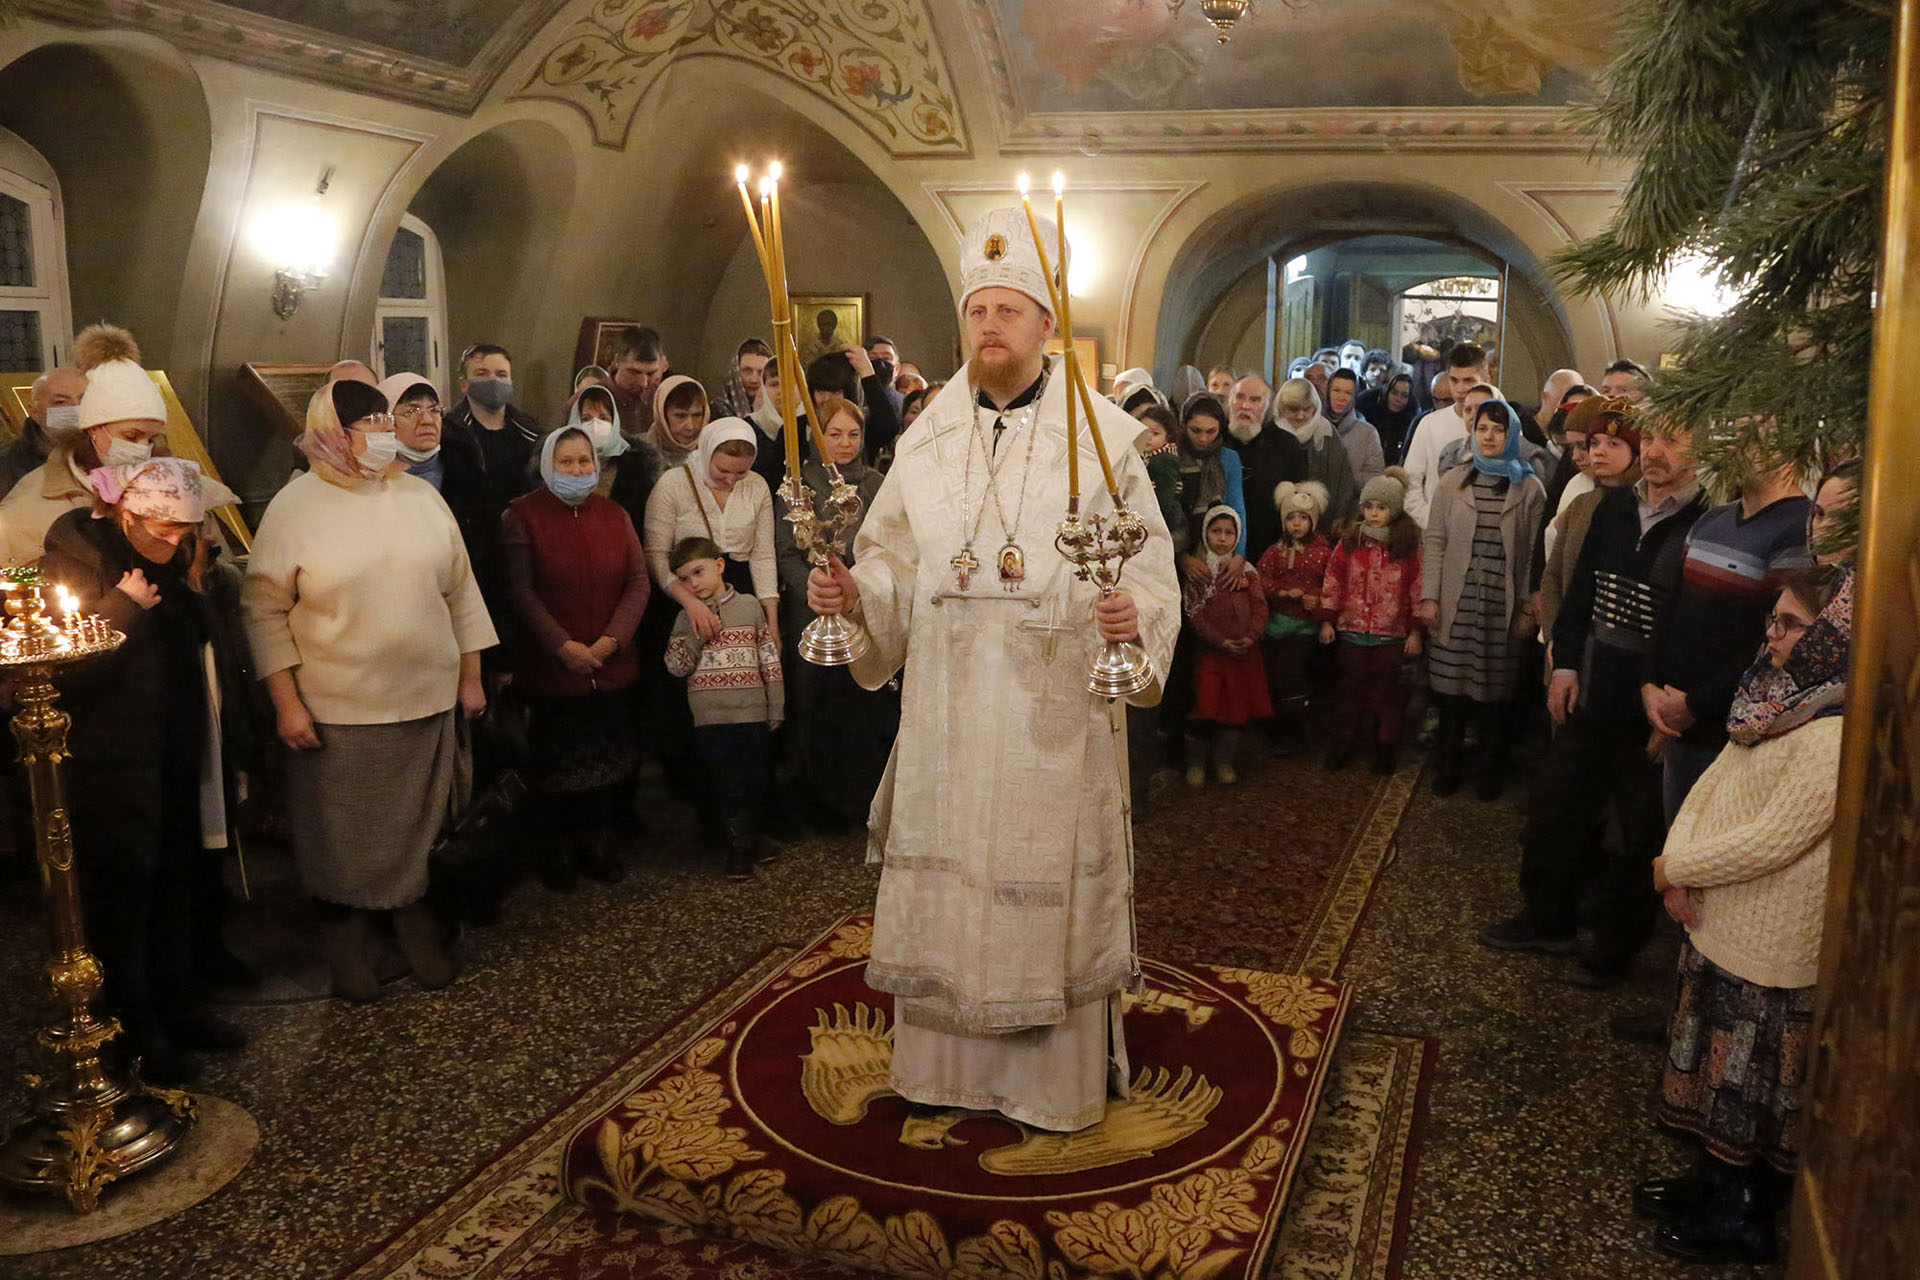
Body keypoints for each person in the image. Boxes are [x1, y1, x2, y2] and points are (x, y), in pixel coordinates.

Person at [803, 205, 1179, 1133]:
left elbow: (1147, 570)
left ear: (1046, 324)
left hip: (1052, 712)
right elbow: (892, 562)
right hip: (950, 708)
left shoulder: (1103, 442)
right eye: (978, 311)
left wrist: (1132, 617)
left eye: (1008, 311)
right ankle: (942, 1071)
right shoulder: (926, 442)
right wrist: (855, 594)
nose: (990, 327)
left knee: (1039, 884)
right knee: (952, 876)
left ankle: (1050, 1084)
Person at [242, 379, 495, 1002]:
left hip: (428, 700)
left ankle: (415, 929)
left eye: (388, 421)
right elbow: (264, 612)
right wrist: (286, 704)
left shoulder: (419, 496)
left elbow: (461, 590)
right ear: (333, 433)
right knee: (344, 840)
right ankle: (347, 944)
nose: (386, 434)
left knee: (422, 833)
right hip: (340, 710)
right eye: (371, 425)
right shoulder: (295, 507)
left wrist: (471, 676)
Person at [1637, 565, 1849, 1265]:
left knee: (1746, 1087)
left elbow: (1774, 838)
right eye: (1773, 619)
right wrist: (1677, 859)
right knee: (1710, 1066)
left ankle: (1744, 1213)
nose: (1773, 634)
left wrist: (1680, 868)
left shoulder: (1834, 730)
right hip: (1722, 921)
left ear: (1833, 636)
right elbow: (1714, 783)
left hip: (1770, 939)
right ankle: (1710, 1183)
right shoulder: (1774, 698)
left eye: (1791, 624)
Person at [41, 457, 258, 1084]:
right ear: (126, 515)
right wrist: (123, 608)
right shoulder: (75, 558)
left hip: (176, 749)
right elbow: (59, 671)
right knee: (125, 900)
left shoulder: (182, 559)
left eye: (186, 529)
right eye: (164, 529)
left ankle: (179, 1008)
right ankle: (136, 1030)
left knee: (176, 884)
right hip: (112, 764)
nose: (175, 540)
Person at [1481, 415, 1708, 986]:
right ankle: (1548, 919)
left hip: (1650, 709)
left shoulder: (1704, 522)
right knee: (1554, 809)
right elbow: (1582, 589)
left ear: (1700, 446)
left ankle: (1612, 948)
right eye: (1649, 439)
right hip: (1593, 689)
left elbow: (1689, 625)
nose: (1654, 451)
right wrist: (1563, 664)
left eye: (1671, 438)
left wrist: (1672, 706)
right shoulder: (1615, 506)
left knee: (1637, 836)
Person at [502, 426, 651, 890]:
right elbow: (521, 591)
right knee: (556, 769)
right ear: (546, 466)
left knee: (608, 764)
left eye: (584, 461)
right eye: (565, 462)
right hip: (552, 669)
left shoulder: (614, 514)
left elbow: (638, 582)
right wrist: (563, 647)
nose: (577, 469)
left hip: (611, 665)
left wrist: (611, 642)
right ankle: (558, 852)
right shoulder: (521, 515)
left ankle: (598, 845)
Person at [1418, 401, 1547, 798]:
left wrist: (1526, 608)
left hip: (1499, 605)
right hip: (1456, 600)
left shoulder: (1530, 487)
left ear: (1512, 435)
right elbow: (1435, 541)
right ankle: (1447, 768)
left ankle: (1489, 774)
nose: (1489, 436)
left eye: (1498, 429)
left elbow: (1534, 555)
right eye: (1483, 428)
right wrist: (1429, 596)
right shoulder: (1453, 481)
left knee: (1495, 697)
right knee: (1451, 695)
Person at [775, 395, 892, 832]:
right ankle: (814, 797)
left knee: (863, 698)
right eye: (835, 434)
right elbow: (786, 551)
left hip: (862, 603)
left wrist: (859, 587)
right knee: (812, 701)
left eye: (853, 434)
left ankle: (861, 795)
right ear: (816, 436)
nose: (845, 443)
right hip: (813, 604)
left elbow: (888, 543)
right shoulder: (797, 486)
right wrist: (818, 586)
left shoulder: (874, 484)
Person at [1, 325, 174, 566]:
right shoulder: (27, 506)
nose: (144, 449)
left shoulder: (171, 482)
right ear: (93, 430)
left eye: (151, 439)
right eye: (131, 437)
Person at [664, 535, 784, 878]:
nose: (693, 584)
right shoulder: (685, 618)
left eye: (698, 572)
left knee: (754, 778)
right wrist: (696, 637)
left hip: (751, 713)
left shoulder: (749, 606)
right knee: (725, 781)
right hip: (712, 719)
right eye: (684, 579)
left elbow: (769, 660)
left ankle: (751, 837)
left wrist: (776, 705)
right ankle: (738, 849)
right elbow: (676, 667)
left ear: (719, 565)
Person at [1317, 468, 1423, 774]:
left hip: (1390, 633)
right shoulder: (1350, 541)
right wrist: (1327, 619)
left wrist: (1415, 630)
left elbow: (1417, 588)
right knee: (1349, 689)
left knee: (1387, 693)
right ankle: (1343, 741)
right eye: (1369, 507)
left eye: (1382, 507)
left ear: (1395, 510)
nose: (1374, 514)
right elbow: (1333, 579)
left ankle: (1385, 745)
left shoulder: (1408, 546)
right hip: (1352, 629)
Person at [442, 343, 537, 634]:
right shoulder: (448, 434)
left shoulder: (531, 433)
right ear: (464, 383)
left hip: (519, 552)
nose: (493, 381)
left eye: (501, 374)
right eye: (482, 373)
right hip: (469, 553)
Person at [1183, 505, 1269, 787]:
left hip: (1244, 656)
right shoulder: (1200, 571)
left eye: (1229, 532)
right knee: (1204, 708)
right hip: (1212, 655)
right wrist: (1220, 641)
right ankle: (1196, 763)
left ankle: (1223, 762)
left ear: (1237, 536)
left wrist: (1252, 636)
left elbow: (1260, 606)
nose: (1222, 538)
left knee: (1235, 712)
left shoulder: (1247, 571)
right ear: (1205, 533)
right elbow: (1195, 613)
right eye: (1216, 531)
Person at [1257, 480, 1331, 756]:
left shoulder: (1323, 553)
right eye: (1291, 518)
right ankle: (1275, 728)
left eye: (1303, 518)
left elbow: (1332, 586)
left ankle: (1296, 731)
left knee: (1292, 677)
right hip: (1275, 626)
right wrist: (1282, 592)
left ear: (1312, 521)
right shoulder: (1275, 552)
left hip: (1304, 628)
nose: (1297, 523)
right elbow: (1260, 579)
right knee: (1274, 677)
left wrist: (1316, 601)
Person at [1403, 342, 1490, 528]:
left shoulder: (1502, 424)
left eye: (1469, 380)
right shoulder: (1429, 424)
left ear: (1486, 379)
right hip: (1436, 527)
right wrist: (1429, 522)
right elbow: (1410, 482)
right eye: (1454, 380)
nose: (1460, 388)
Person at [1224, 375, 1306, 559]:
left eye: (1255, 400)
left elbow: (1297, 504)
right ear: (1228, 402)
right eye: (1239, 397)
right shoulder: (1215, 439)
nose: (1245, 406)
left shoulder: (1287, 446)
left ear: (1269, 407)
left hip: (1270, 552)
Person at [1272, 378, 1360, 531]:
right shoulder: (1271, 434)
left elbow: (1343, 478)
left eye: (1307, 409)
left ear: (1316, 407)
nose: (1301, 416)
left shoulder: (1326, 432)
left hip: (1321, 523)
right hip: (1274, 522)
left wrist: (1340, 514)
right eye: (1293, 409)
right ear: (1281, 408)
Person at [1, 365, 84, 497]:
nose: (76, 407)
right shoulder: (5, 465)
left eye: (84, 399)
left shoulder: (107, 454)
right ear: (34, 411)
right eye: (61, 402)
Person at [1324, 367, 1385, 490]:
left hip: (1353, 500)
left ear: (1354, 396)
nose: (1341, 397)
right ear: (1328, 392)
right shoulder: (1314, 426)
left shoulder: (1368, 433)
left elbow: (1375, 477)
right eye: (1336, 390)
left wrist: (1341, 476)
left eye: (1348, 393)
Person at [610, 327, 668, 435]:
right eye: (634, 372)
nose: (643, 383)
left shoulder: (663, 399)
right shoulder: (591, 397)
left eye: (651, 373)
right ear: (617, 361)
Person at [649, 373, 710, 473]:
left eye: (697, 415)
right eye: (680, 416)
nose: (690, 427)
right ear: (662, 415)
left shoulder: (714, 454)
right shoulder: (639, 456)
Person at [1355, 371, 1418, 466]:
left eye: (1404, 395)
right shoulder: (1366, 406)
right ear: (1386, 391)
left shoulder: (1412, 419)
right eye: (1394, 392)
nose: (1398, 399)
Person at [717, 337, 772, 419]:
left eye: (761, 372)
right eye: (747, 371)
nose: (754, 380)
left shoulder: (781, 413)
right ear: (736, 372)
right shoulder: (718, 411)